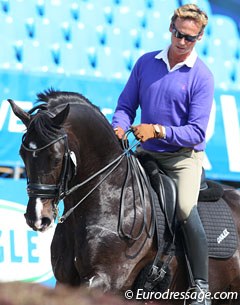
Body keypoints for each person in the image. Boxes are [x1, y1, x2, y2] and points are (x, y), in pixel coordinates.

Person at [112, 3, 214, 305]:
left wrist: (158, 130)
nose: (181, 42)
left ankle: (201, 288)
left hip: (183, 159)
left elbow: (197, 132)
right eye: (178, 34)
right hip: (145, 152)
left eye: (189, 38)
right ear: (171, 28)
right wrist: (119, 127)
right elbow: (125, 107)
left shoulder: (202, 77)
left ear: (199, 39)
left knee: (184, 208)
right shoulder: (145, 63)